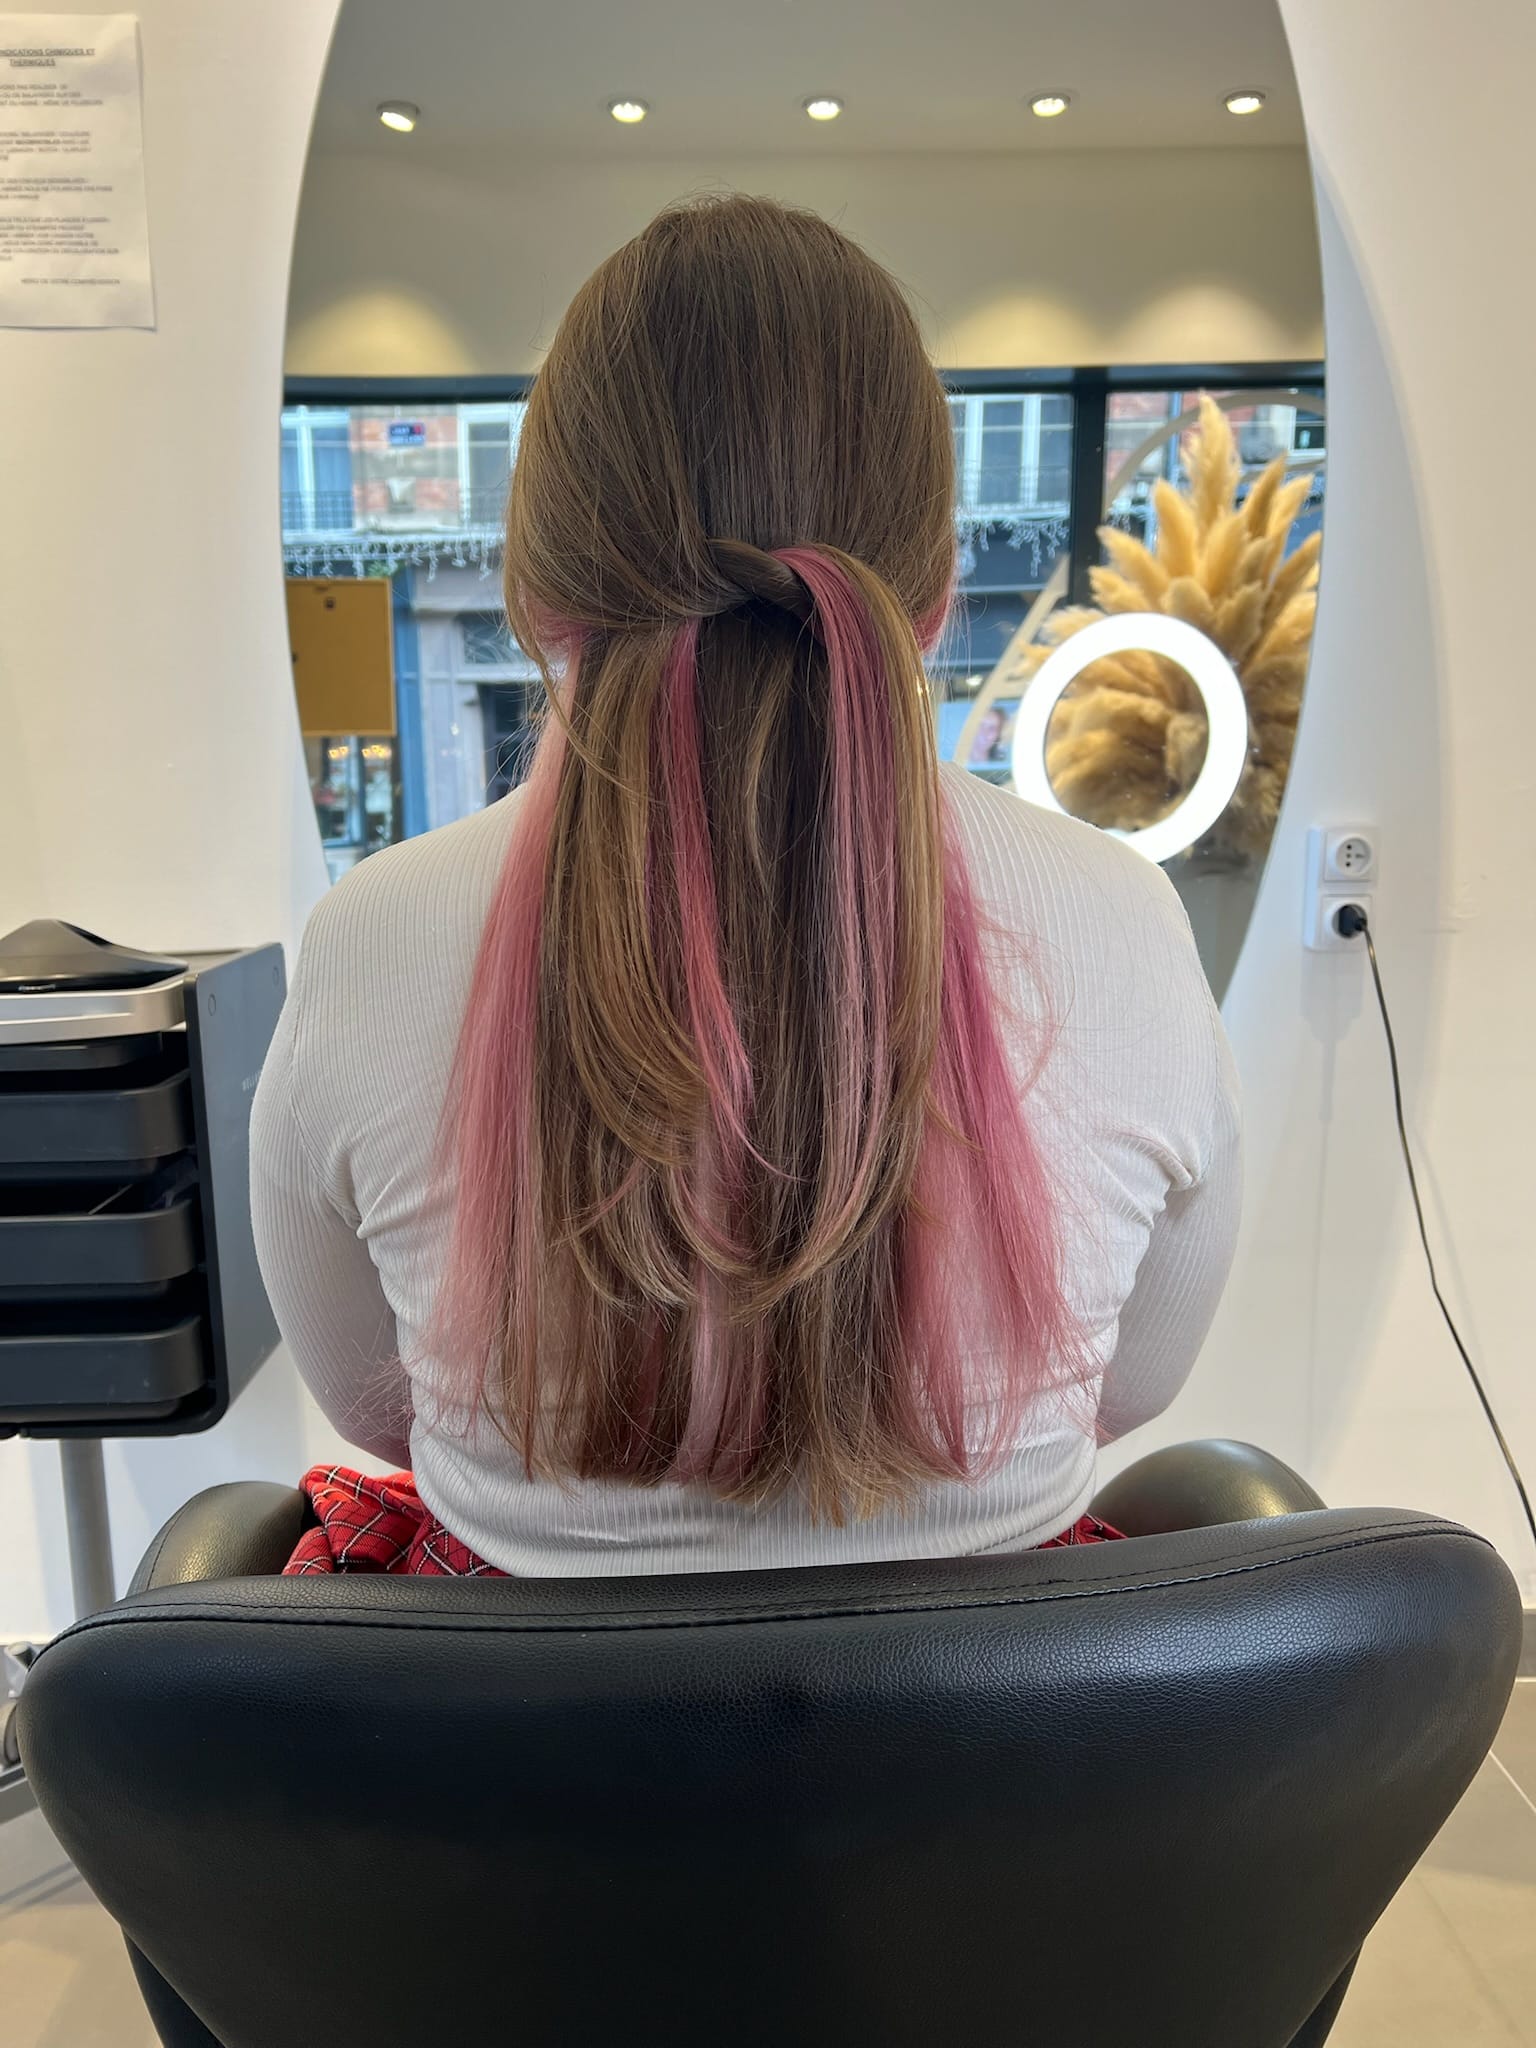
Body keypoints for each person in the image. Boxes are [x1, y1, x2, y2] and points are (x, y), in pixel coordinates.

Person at [250, 195, 1241, 1578]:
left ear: (533, 590)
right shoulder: (1124, 918)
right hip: (1000, 1706)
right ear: (939, 590)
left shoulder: (369, 940)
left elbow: (380, 1409)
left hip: (512, 1708)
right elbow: (1131, 1386)